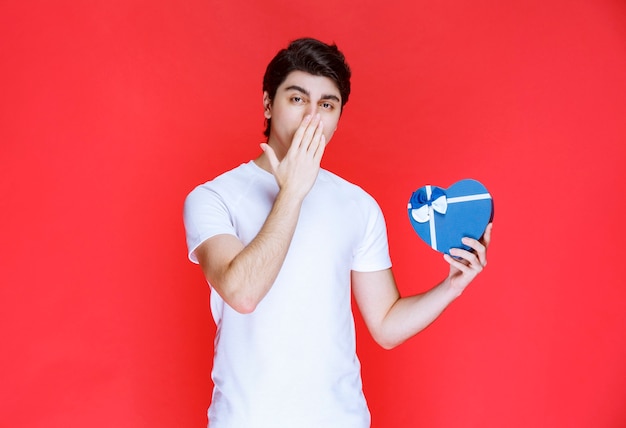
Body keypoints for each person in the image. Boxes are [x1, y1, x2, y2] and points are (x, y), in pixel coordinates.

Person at [183, 37, 492, 428]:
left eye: (327, 105)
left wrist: (452, 285)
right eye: (297, 100)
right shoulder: (214, 197)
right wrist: (293, 191)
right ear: (267, 104)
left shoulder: (357, 205)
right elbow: (243, 294)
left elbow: (386, 325)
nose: (312, 118)